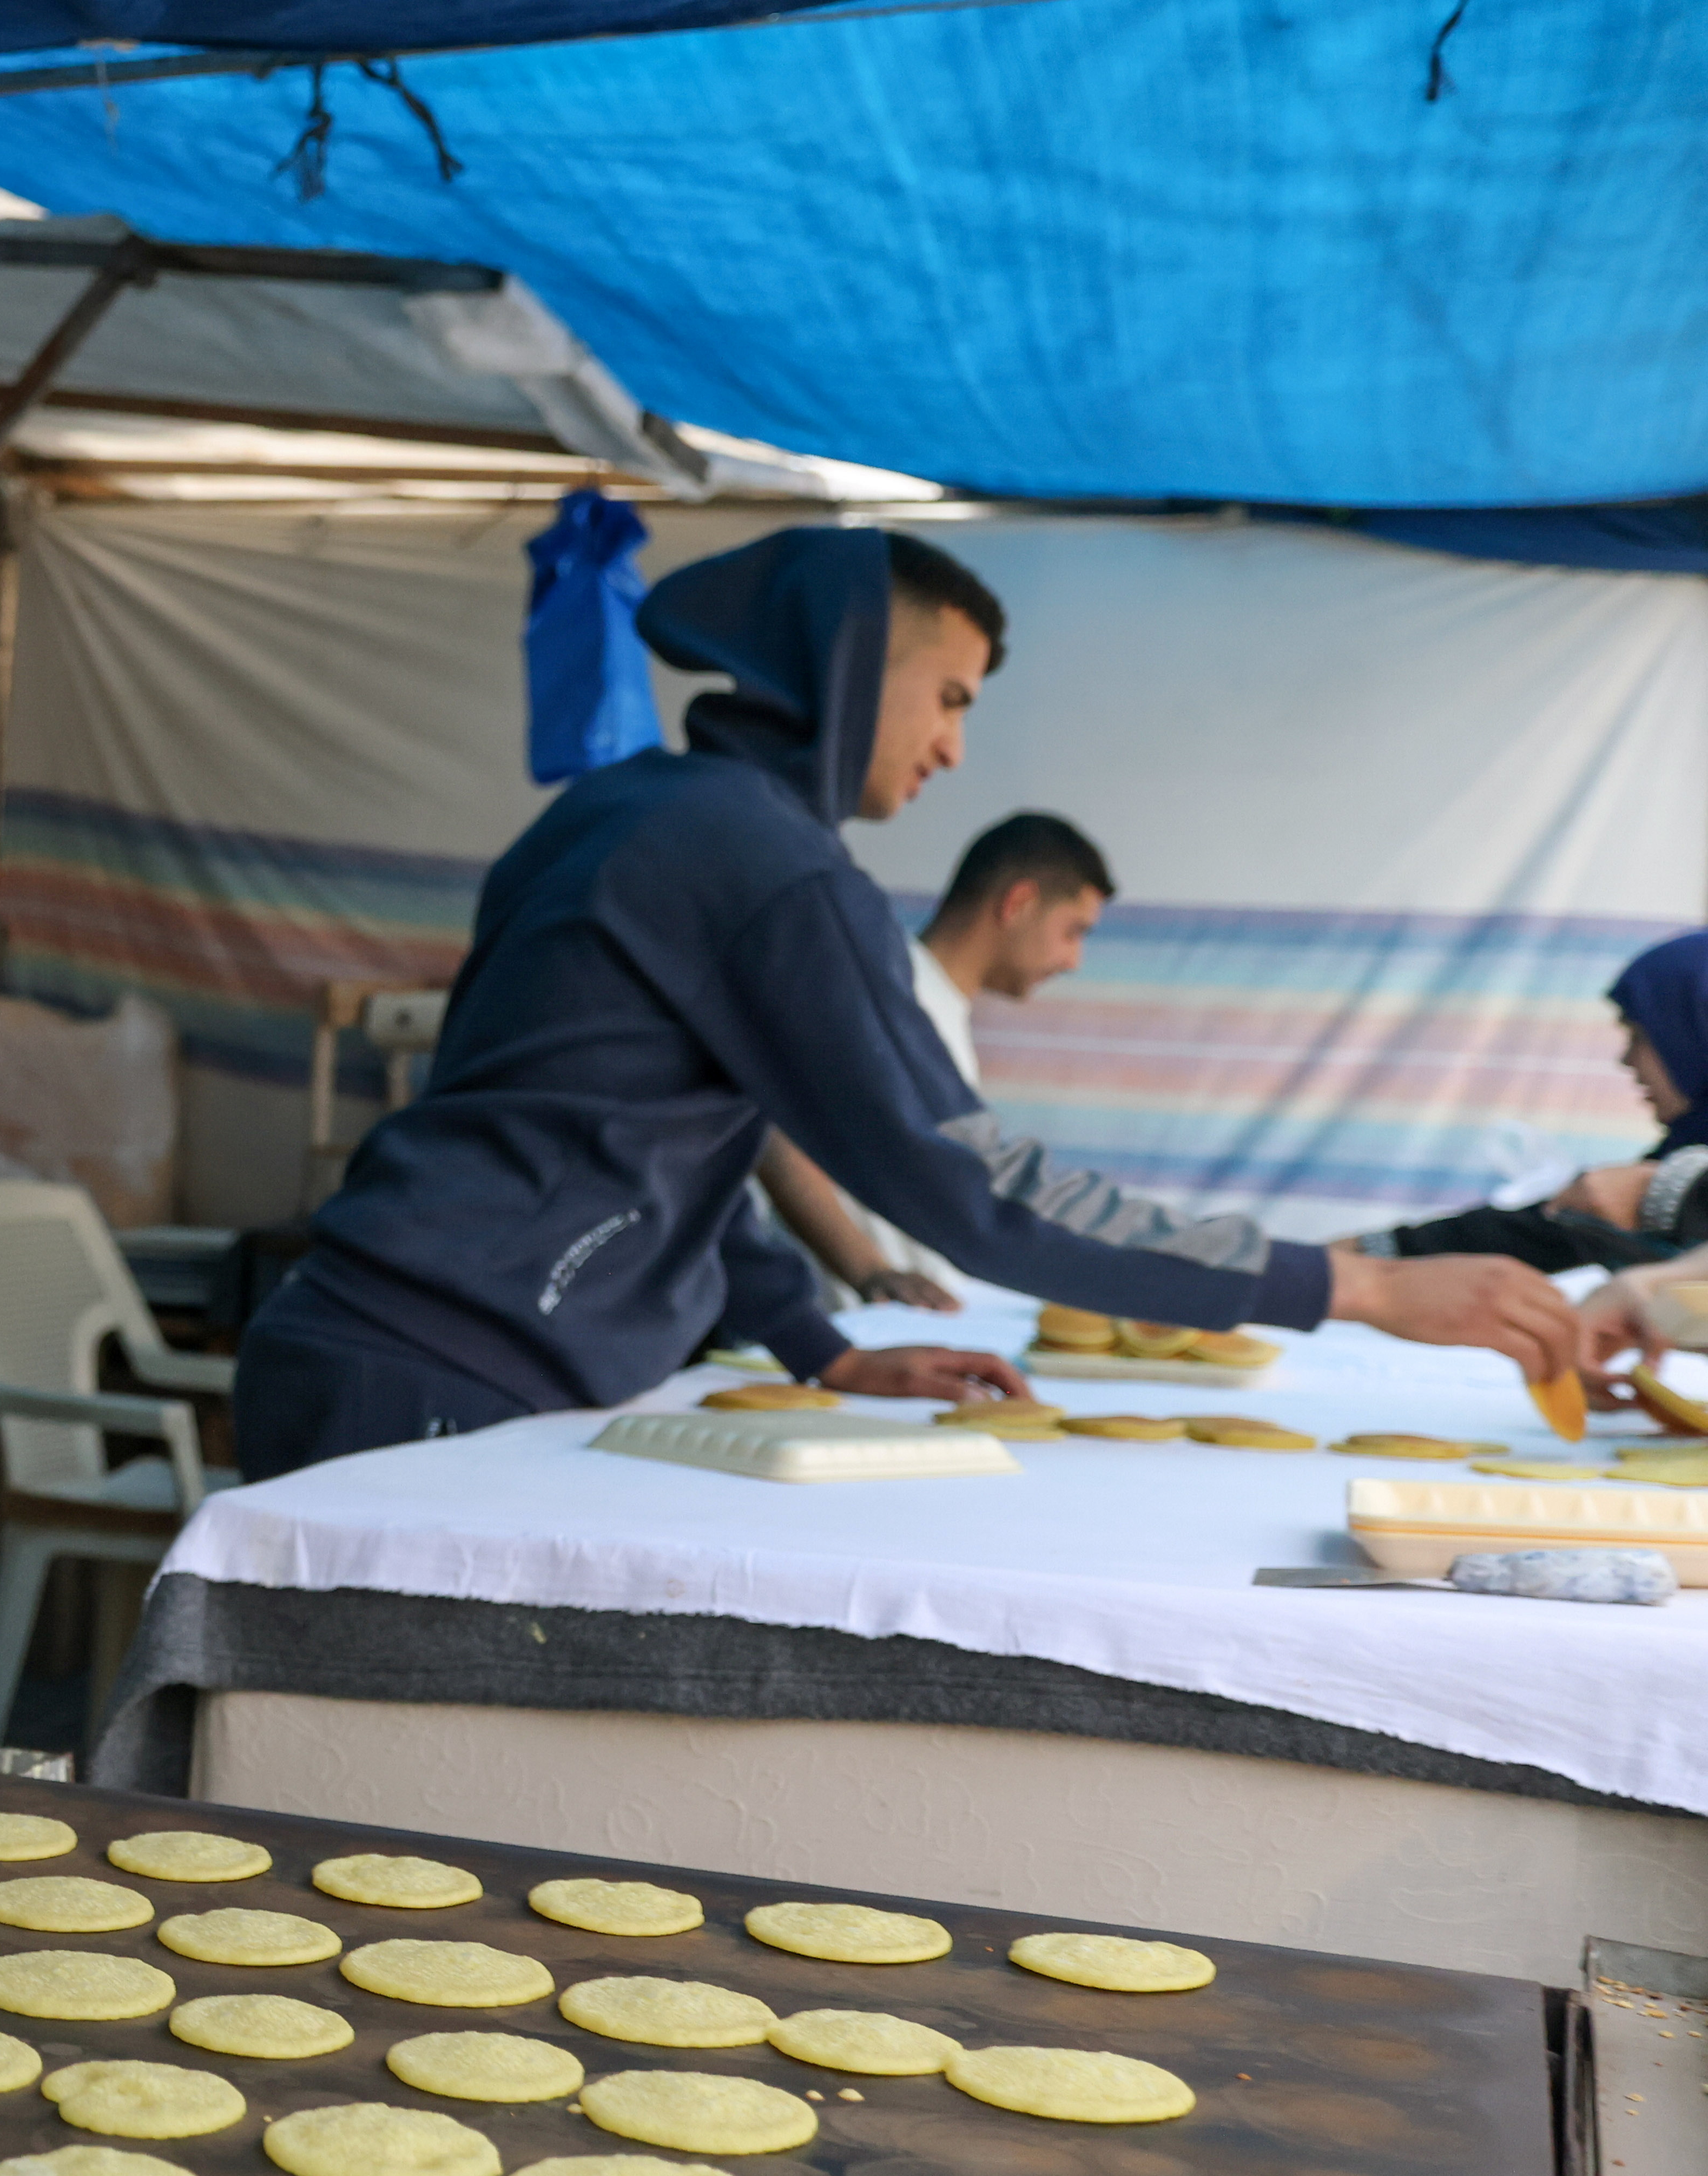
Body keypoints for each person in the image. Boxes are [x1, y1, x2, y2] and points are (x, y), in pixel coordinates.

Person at [232, 525, 1582, 1481]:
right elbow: (974, 1193)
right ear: (842, 656)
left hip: (374, 1338)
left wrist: (817, 1345)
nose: (949, 743)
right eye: (944, 695)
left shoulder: (622, 811)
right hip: (441, 1366)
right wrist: (1348, 1282)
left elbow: (652, 1141)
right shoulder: (767, 865)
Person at [756, 810, 1113, 1310]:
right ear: (1019, 903)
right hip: (848, 1335)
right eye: (1073, 931)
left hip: (903, 1331)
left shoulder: (935, 1009)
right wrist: (869, 1272)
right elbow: (772, 1136)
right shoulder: (886, 998)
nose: (1073, 961)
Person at [1361, 927, 1708, 1274]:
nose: (1627, 1060)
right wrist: (1364, 1265)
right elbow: (1544, 1232)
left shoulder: (1683, 1176)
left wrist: (1671, 1193)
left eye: (1641, 1036)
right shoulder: (1685, 1149)